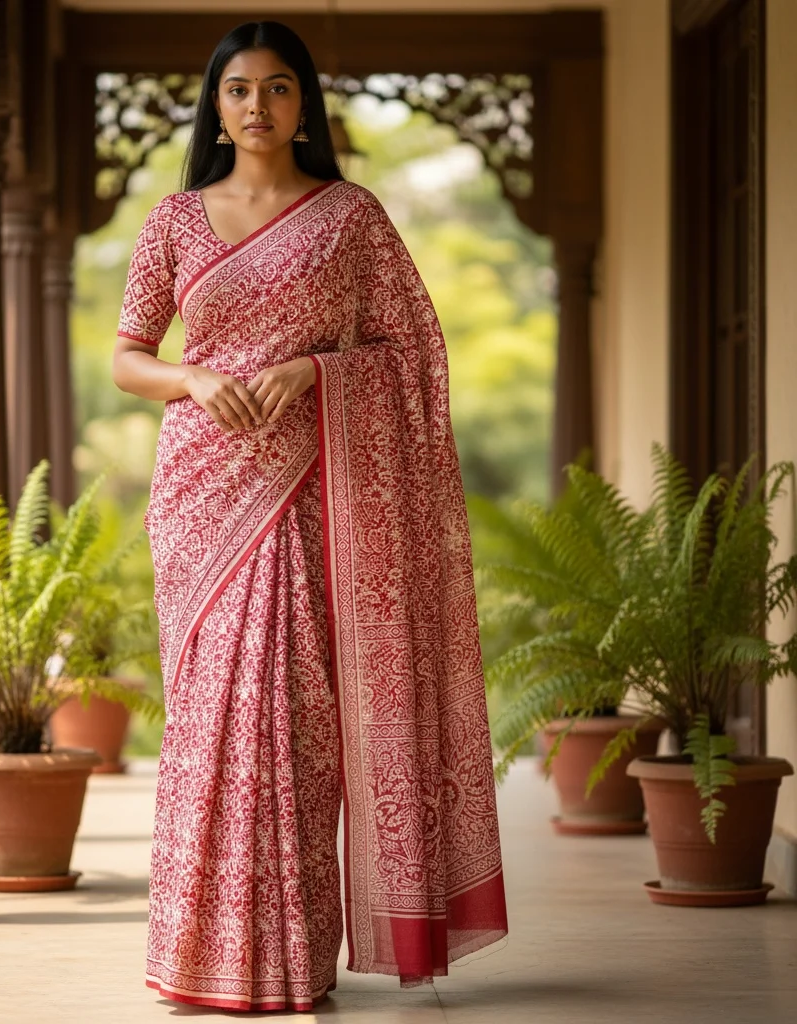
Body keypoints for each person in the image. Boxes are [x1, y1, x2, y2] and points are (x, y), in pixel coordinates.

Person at [112, 20, 508, 1014]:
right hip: (204, 496)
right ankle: (201, 957)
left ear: (303, 106)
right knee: (213, 720)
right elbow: (126, 357)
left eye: (277, 87)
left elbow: (411, 356)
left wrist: (310, 373)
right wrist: (195, 381)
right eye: (238, 88)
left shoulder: (350, 218)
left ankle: (288, 959)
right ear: (215, 105)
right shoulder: (173, 220)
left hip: (313, 492)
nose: (255, 105)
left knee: (295, 720)